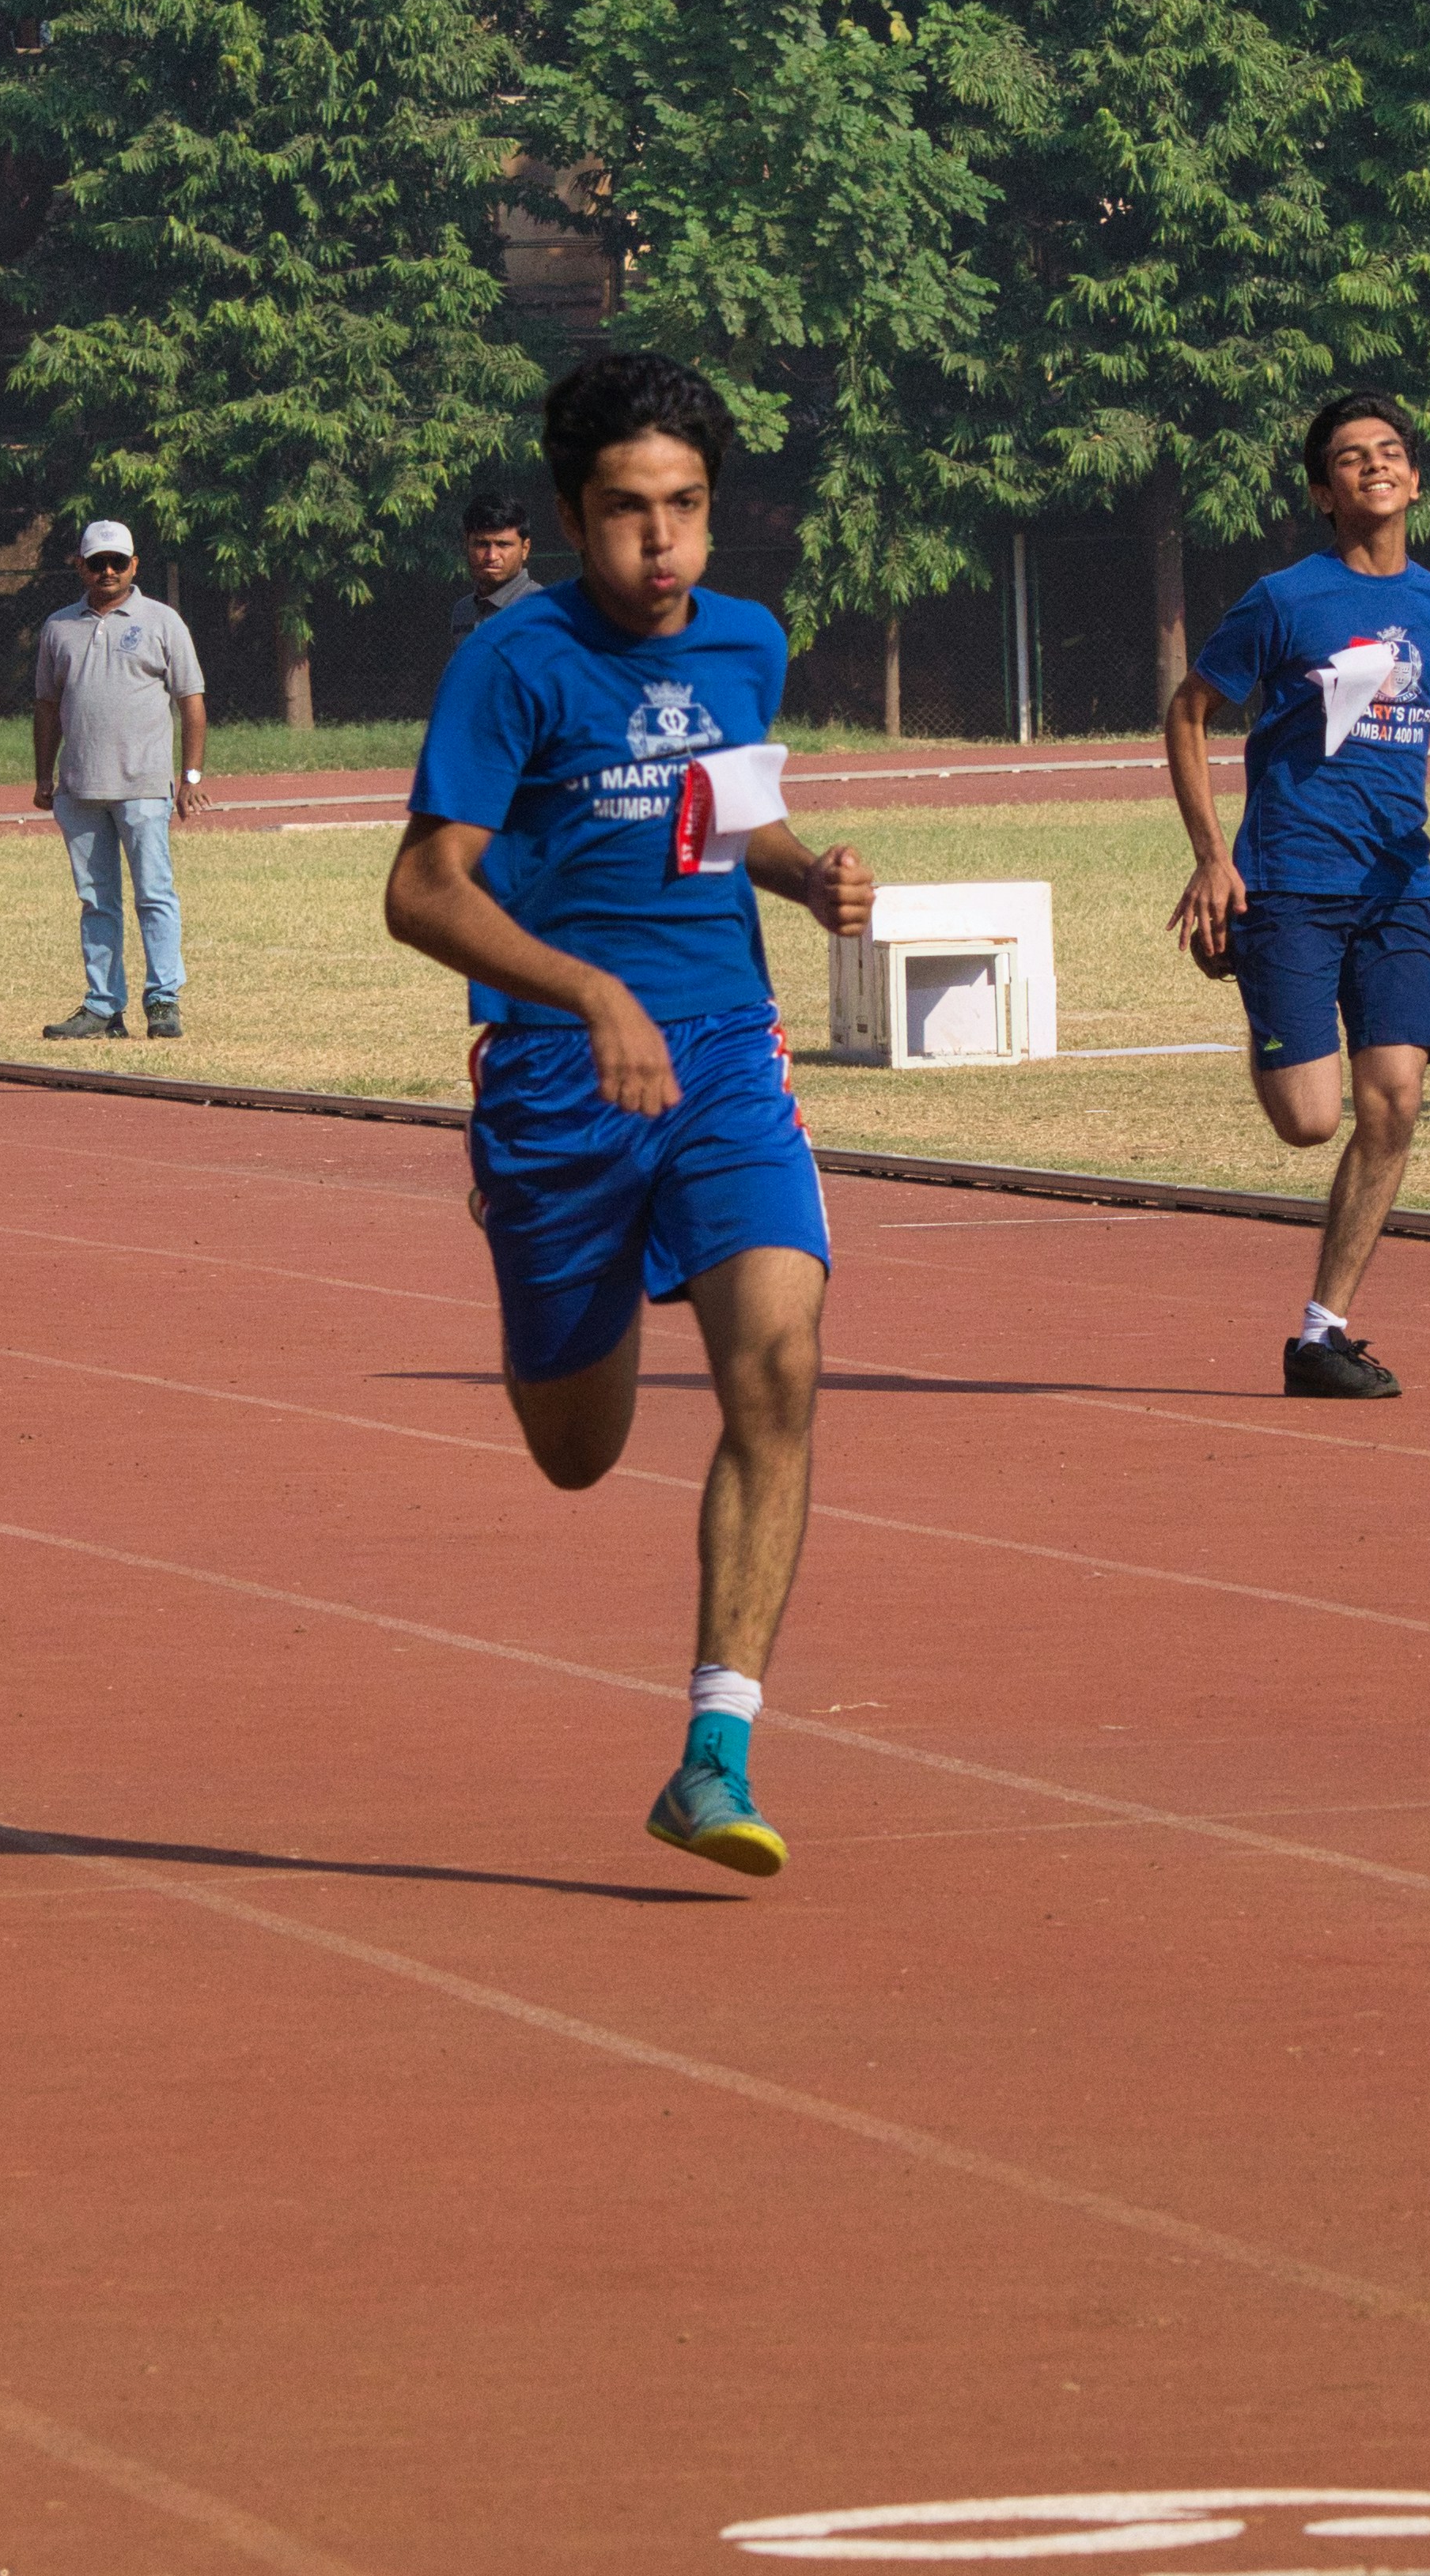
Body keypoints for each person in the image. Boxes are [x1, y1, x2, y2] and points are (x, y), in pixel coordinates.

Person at [384, 351, 872, 1879]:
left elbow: (725, 801)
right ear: (569, 515)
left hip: (726, 1047)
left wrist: (801, 875)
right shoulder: (512, 663)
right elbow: (419, 890)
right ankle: (533, 1236)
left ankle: (712, 1751)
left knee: (779, 1360)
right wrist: (591, 996)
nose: (660, 542)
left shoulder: (745, 639)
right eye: (626, 511)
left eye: (686, 509)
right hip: (554, 1071)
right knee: (578, 1451)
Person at [1160, 388, 1430, 1400]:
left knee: (1392, 1099)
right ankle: (1249, 971)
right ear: (1322, 489)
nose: (1375, 466)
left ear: (1414, 476)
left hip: (1396, 887)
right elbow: (1188, 713)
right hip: (1287, 884)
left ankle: (1322, 1330)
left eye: (1390, 451)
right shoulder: (1283, 599)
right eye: (1351, 457)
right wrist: (1210, 855)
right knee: (1310, 1120)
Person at [28, 517, 206, 1041]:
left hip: (144, 786)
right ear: (79, 566)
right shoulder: (58, 627)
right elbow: (47, 707)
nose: (107, 571)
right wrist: (44, 775)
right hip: (80, 790)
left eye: (117, 562)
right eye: (96, 562)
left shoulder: (162, 621)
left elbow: (191, 702)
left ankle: (163, 1000)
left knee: (154, 894)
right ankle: (104, 1007)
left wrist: (191, 774)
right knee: (96, 901)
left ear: (134, 565)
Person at [446, 489, 535, 651]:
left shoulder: (542, 611)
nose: (491, 556)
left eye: (503, 544)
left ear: (525, 549)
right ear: (466, 545)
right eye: (481, 544)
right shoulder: (463, 611)